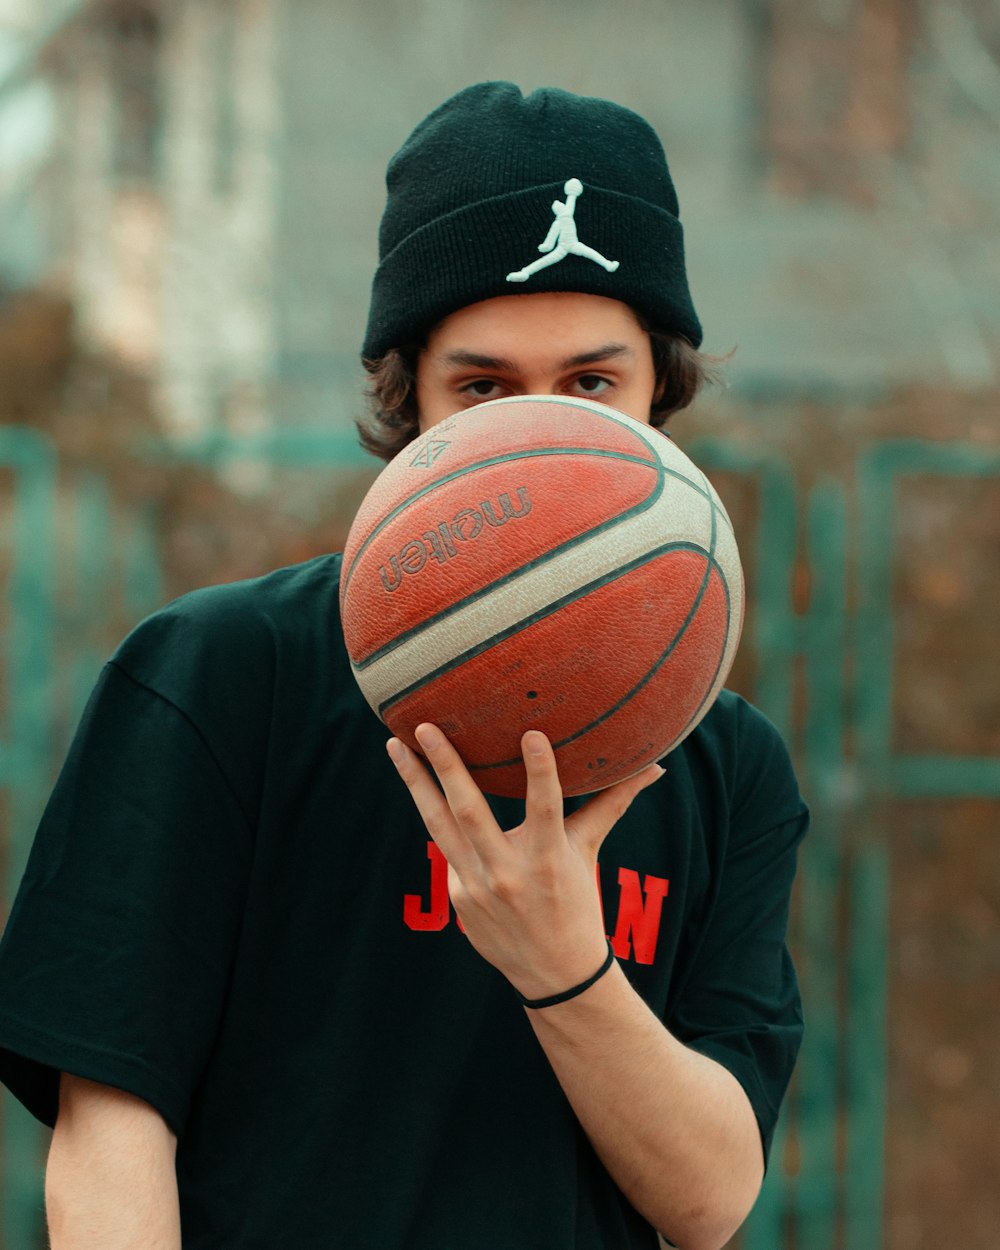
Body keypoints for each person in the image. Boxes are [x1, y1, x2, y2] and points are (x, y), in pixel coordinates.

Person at [0, 82, 807, 1250]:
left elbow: (712, 1196)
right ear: (410, 405)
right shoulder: (221, 677)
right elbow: (111, 1134)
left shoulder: (723, 758)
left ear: (658, 397)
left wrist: (562, 962)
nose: (537, 436)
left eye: (591, 383)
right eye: (482, 388)